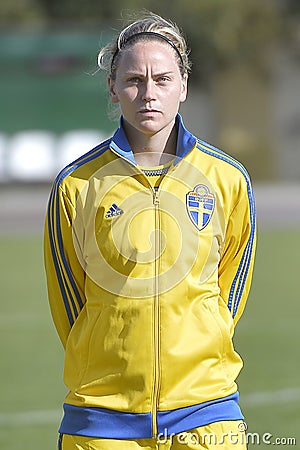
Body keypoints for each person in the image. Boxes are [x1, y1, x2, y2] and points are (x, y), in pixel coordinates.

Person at [44, 10, 256, 450]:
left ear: (183, 86)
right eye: (134, 80)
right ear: (113, 87)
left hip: (207, 413)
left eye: (162, 79)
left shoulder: (227, 179)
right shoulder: (76, 184)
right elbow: (68, 302)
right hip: (101, 420)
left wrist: (198, 342)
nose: (148, 94)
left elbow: (230, 291)